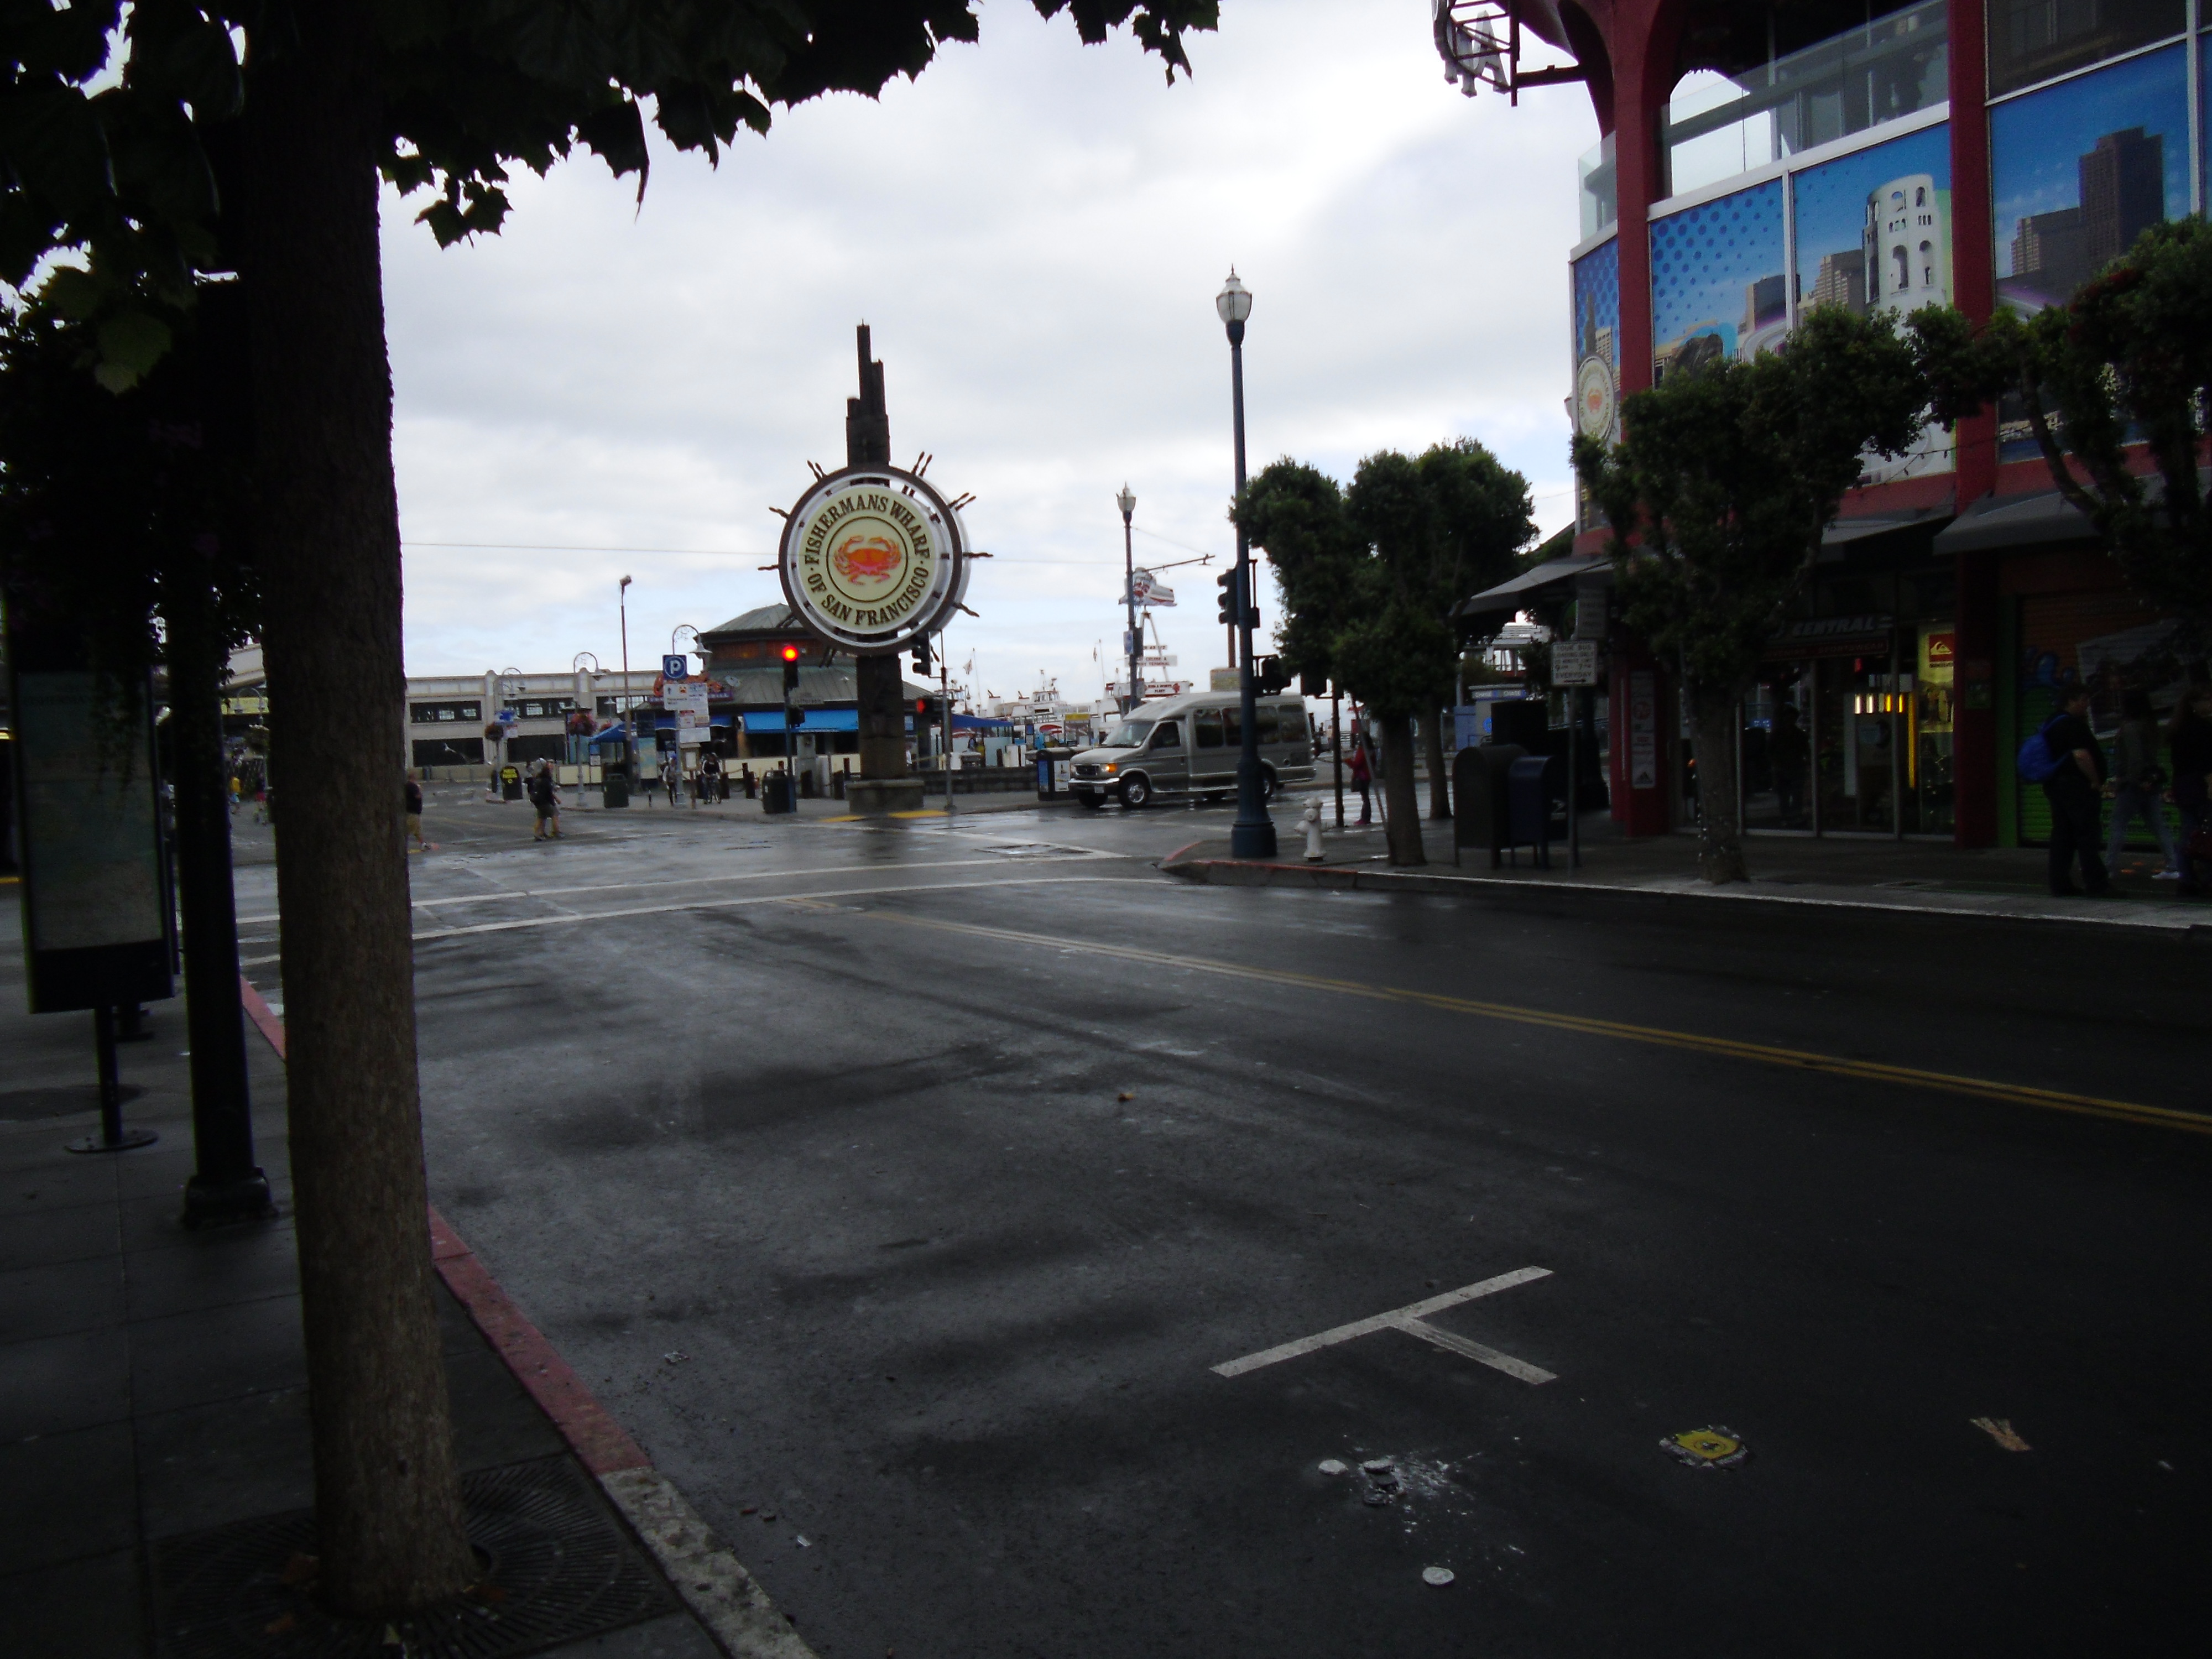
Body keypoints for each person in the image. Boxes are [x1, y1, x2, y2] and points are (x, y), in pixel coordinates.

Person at [2039, 684, 2111, 896]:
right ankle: (2097, 884)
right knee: (2087, 835)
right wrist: (2095, 781)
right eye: (2084, 700)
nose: (2086, 705)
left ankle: (2060, 883)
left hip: (2056, 785)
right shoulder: (2072, 724)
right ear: (2071, 700)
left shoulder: (2051, 722)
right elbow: (2081, 755)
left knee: (2063, 835)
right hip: (2077, 787)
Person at [2105, 688, 2180, 878]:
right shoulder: (2150, 725)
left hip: (2133, 784)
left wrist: (2133, 780)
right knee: (2158, 825)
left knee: (2119, 824)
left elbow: (2135, 759)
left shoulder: (2130, 728)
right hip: (2151, 783)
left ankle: (2108, 867)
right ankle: (2173, 865)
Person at [2168, 685, 2212, 896]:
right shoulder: (2202, 729)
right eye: (2207, 700)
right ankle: (2208, 878)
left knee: (2189, 832)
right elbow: (2206, 762)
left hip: (2182, 785)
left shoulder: (2178, 728)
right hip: (2200, 785)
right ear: (2194, 703)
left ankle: (2186, 878)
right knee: (2207, 832)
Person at [1768, 702, 1809, 827]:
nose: (1790, 720)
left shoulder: (1799, 735)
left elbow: (1806, 751)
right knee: (1784, 795)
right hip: (1783, 768)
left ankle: (1794, 817)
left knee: (1796, 795)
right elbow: (1770, 751)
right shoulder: (1778, 735)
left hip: (1795, 768)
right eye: (1788, 718)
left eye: (1792, 718)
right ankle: (1787, 817)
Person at [528, 760, 562, 841]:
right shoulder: (546, 781)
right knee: (555, 816)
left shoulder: (538, 779)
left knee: (541, 818)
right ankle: (557, 833)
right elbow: (549, 792)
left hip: (538, 802)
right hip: (546, 802)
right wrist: (557, 800)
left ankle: (538, 834)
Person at [1349, 735, 1373, 825]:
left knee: (1365, 798)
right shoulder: (1371, 750)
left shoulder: (1362, 751)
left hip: (1362, 776)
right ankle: (1366, 817)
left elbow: (1357, 764)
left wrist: (1348, 761)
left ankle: (1365, 818)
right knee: (1366, 797)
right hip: (1368, 776)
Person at [404, 774, 428, 853]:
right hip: (413, 812)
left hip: (414, 811)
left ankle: (423, 844)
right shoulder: (413, 786)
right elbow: (418, 796)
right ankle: (401, 845)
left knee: (418, 831)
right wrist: (419, 790)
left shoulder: (407, 786)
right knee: (409, 829)